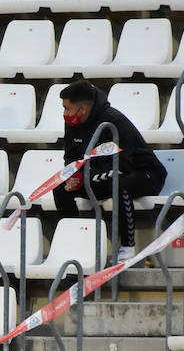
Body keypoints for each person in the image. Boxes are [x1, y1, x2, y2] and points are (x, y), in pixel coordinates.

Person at [53, 78, 167, 263]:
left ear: (82, 109)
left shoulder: (114, 122)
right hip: (102, 175)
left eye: (67, 108)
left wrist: (85, 178)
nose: (64, 113)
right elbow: (71, 156)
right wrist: (72, 176)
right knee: (61, 189)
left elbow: (122, 165)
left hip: (144, 174)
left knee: (119, 184)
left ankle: (127, 246)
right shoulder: (72, 122)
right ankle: (76, 245)